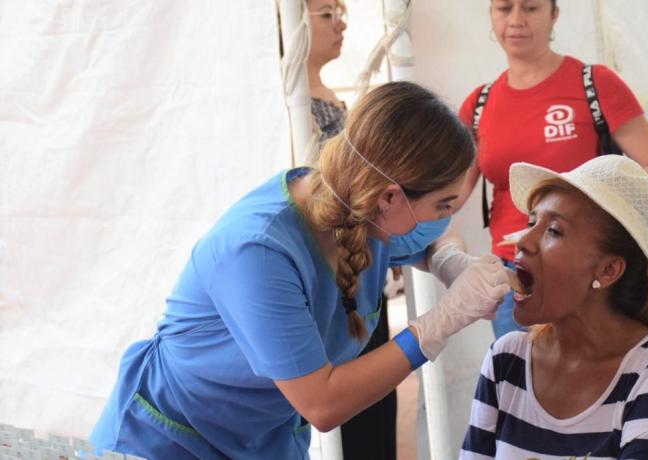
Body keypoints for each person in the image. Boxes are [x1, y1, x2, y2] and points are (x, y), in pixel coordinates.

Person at [90, 81, 511, 459]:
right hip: (171, 440)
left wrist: (449, 262)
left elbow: (434, 234)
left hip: (261, 438)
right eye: (442, 202)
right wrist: (441, 321)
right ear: (390, 198)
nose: (445, 215)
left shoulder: (360, 206)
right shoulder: (258, 252)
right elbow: (322, 403)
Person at [456, 0, 648, 339]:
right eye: (504, 8)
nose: (516, 20)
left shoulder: (593, 83)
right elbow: (449, 194)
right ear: (491, 16)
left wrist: (597, 193)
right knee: (524, 383)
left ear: (554, 15)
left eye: (531, 8)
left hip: (589, 272)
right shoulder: (479, 104)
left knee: (600, 384)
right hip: (516, 274)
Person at [459, 156, 648, 459]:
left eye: (554, 230)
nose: (522, 241)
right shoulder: (506, 360)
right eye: (531, 222)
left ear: (607, 271)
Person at [305, 1, 399, 457]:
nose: (341, 23)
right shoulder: (286, 105)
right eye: (327, 14)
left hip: (359, 269)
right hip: (328, 280)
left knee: (377, 398)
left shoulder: (326, 96)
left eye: (341, 13)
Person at [306, 0, 348, 145]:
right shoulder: (293, 107)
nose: (342, 26)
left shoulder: (325, 95)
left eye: (338, 14)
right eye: (326, 15)